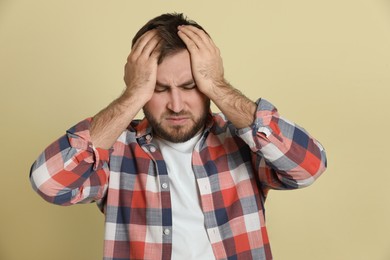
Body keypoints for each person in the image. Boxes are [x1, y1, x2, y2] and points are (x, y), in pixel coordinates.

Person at [30, 13, 327, 260]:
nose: (176, 104)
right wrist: (133, 94)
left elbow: (309, 167)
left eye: (189, 86)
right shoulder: (115, 151)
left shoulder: (243, 141)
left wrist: (218, 85)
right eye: (158, 89)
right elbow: (48, 183)